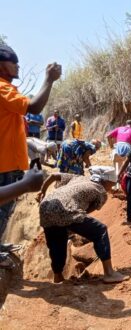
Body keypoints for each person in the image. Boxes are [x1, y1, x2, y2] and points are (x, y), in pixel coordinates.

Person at [0, 43, 61, 240]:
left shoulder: (8, 89)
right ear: (2, 65)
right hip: (5, 166)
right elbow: (33, 107)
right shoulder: (2, 88)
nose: (18, 66)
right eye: (14, 62)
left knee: (4, 212)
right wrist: (49, 79)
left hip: (9, 164)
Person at [36, 168, 129, 284]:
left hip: (45, 206)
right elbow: (85, 212)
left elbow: (53, 176)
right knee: (100, 230)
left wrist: (42, 191)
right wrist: (71, 223)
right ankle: (109, 273)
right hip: (64, 209)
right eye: (113, 183)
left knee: (57, 244)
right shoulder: (100, 191)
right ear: (106, 182)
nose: (113, 186)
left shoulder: (79, 177)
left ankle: (58, 276)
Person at [0, 169, 44, 269]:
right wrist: (25, 185)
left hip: (11, 168)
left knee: (6, 211)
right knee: (2, 211)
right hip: (5, 168)